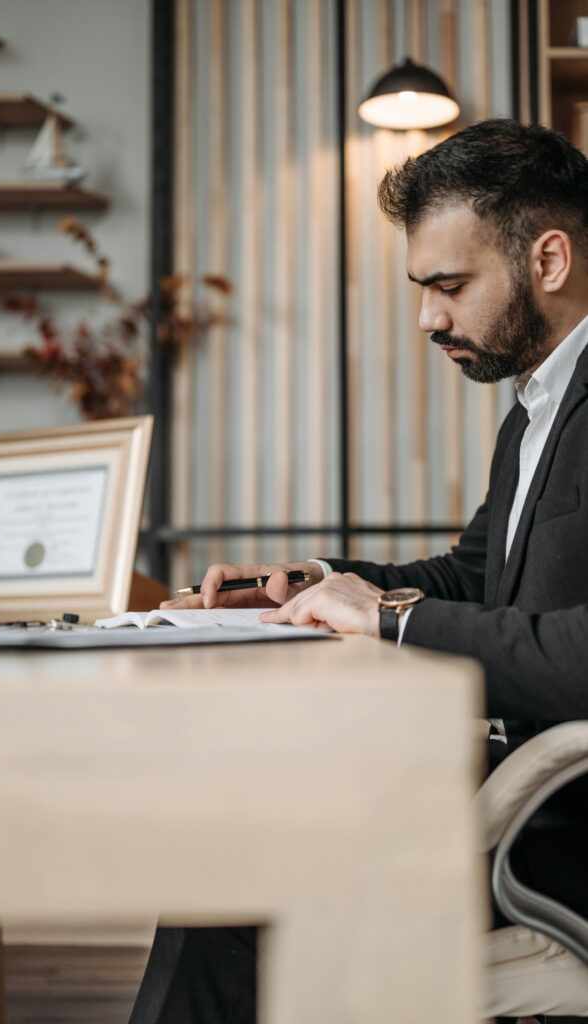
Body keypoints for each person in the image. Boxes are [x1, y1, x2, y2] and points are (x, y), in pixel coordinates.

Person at [130, 119, 588, 1024]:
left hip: (553, 847)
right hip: (505, 803)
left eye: (449, 286)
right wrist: (314, 581)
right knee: (222, 866)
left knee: (230, 890)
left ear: (548, 260)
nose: (428, 318)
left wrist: (389, 620)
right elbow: (472, 575)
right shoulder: (536, 410)